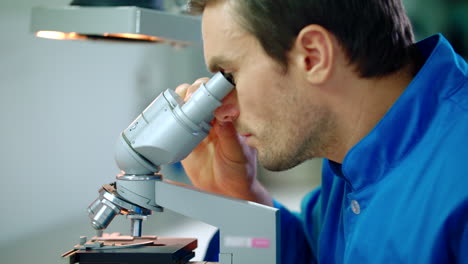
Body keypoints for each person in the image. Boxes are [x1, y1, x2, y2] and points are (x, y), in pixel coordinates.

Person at [174, 0, 468, 263]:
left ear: (313, 56)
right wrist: (242, 198)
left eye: (230, 76)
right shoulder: (350, 160)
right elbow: (313, 255)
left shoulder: (458, 180)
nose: (221, 109)